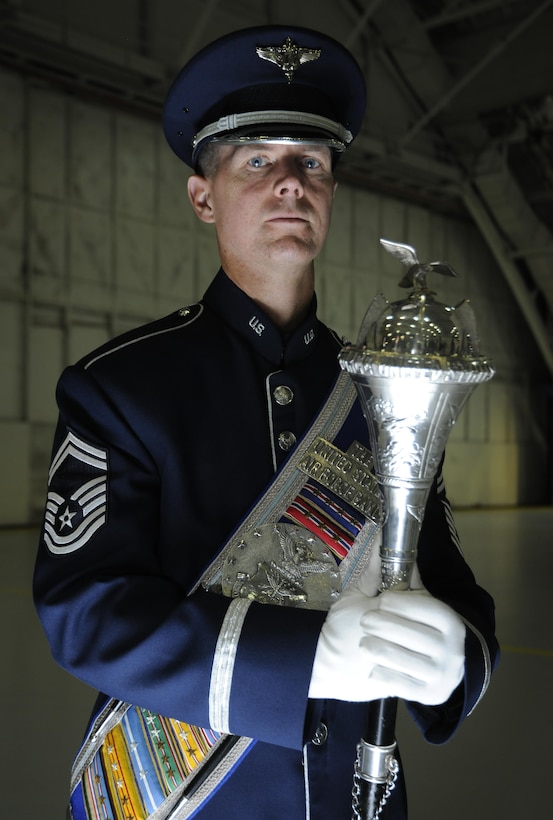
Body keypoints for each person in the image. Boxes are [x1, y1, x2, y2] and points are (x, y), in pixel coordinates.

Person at [33, 24, 498, 820]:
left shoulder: (386, 390)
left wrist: (457, 653)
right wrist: (305, 659)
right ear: (202, 196)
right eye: (258, 161)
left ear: (330, 191)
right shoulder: (120, 387)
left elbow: (441, 575)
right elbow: (88, 613)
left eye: (310, 163)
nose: (290, 182)